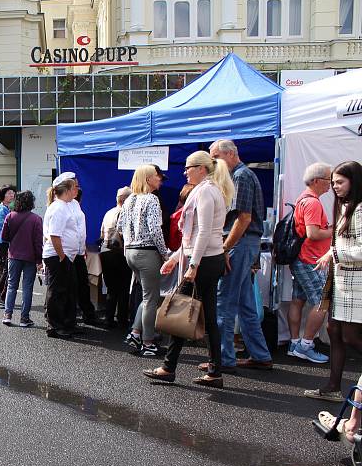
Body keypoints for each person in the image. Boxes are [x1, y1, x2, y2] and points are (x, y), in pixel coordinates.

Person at [143, 151, 235, 388]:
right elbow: (194, 236)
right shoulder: (211, 189)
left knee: (181, 310)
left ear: (201, 169)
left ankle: (169, 367)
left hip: (203, 261)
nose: (184, 172)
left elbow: (202, 232)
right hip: (207, 258)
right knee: (207, 316)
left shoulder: (205, 191)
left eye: (188, 167)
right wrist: (175, 258)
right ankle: (213, 371)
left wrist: (192, 264)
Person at [209, 139, 273, 372]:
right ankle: (260, 354)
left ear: (230, 154)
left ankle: (223, 358)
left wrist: (225, 248)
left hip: (240, 243)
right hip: (245, 243)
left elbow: (243, 218)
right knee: (245, 304)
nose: (213, 163)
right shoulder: (241, 175)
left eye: (215, 157)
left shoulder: (240, 176)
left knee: (224, 302)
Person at [310, 161, 362, 401]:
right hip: (342, 281)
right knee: (334, 330)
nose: (335, 187)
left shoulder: (359, 209)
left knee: (350, 336)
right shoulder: (346, 206)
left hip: (355, 283)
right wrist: (330, 253)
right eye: (333, 183)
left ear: (354, 181)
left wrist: (336, 254)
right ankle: (332, 387)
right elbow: (343, 241)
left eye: (339, 182)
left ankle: (333, 387)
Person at [119, 164, 170, 357]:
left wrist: (128, 246)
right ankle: (148, 343)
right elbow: (155, 230)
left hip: (130, 252)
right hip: (147, 252)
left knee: (146, 296)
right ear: (148, 178)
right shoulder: (151, 200)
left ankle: (135, 333)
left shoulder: (130, 199)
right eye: (157, 176)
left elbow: (120, 226)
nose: (160, 180)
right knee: (151, 298)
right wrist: (165, 253)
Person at [287, 163, 333, 365]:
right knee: (322, 302)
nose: (331, 185)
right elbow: (313, 234)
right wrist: (336, 230)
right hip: (310, 259)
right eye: (328, 180)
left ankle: (295, 343)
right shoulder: (313, 203)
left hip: (303, 258)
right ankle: (305, 346)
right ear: (316, 181)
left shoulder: (304, 199)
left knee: (298, 300)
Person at [42, 175, 83, 338]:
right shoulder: (58, 208)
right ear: (66, 190)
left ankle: (67, 322)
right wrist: (61, 256)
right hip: (57, 255)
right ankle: (55, 325)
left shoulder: (67, 205)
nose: (77, 190)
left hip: (67, 255)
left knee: (69, 289)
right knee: (58, 291)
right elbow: (54, 235)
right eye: (74, 187)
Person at [0, 190, 43, 327]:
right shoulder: (36, 219)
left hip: (13, 256)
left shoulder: (10, 216)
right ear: (31, 202)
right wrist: (39, 260)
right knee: (27, 287)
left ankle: (7, 315)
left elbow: (4, 237)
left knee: (12, 285)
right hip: (30, 257)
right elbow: (38, 243)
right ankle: (24, 318)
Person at [99, 186, 132, 328]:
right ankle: (122, 319)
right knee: (124, 287)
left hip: (105, 251)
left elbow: (101, 234)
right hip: (120, 252)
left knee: (111, 288)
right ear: (127, 200)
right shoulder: (125, 213)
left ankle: (108, 317)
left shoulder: (108, 212)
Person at [70, 176, 98, 326]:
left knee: (78, 285)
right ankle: (85, 313)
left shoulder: (74, 208)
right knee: (80, 285)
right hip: (74, 253)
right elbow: (79, 233)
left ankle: (84, 313)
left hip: (75, 252)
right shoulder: (75, 210)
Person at [0, 185, 15, 308]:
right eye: (9, 193)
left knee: (4, 270)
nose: (12, 195)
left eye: (12, 193)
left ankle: (1, 296)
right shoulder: (2, 209)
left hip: (2, 242)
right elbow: (3, 229)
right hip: (2, 243)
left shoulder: (7, 207)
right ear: (3, 196)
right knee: (7, 270)